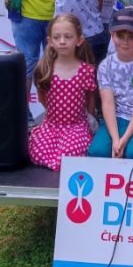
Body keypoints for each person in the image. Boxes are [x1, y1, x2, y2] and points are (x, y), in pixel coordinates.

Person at [29, 14, 97, 171]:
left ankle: (61, 162)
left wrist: (89, 118)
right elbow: (42, 97)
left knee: (67, 155)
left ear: (79, 40)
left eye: (68, 37)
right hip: (52, 125)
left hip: (76, 126)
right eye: (57, 37)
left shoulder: (86, 70)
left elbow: (90, 98)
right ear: (50, 41)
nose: (62, 41)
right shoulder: (45, 69)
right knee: (38, 151)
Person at [88, 8, 133, 159]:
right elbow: (108, 103)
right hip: (116, 117)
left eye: (131, 37)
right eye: (120, 36)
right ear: (112, 35)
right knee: (98, 151)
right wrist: (115, 139)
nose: (125, 42)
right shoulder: (105, 65)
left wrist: (125, 139)